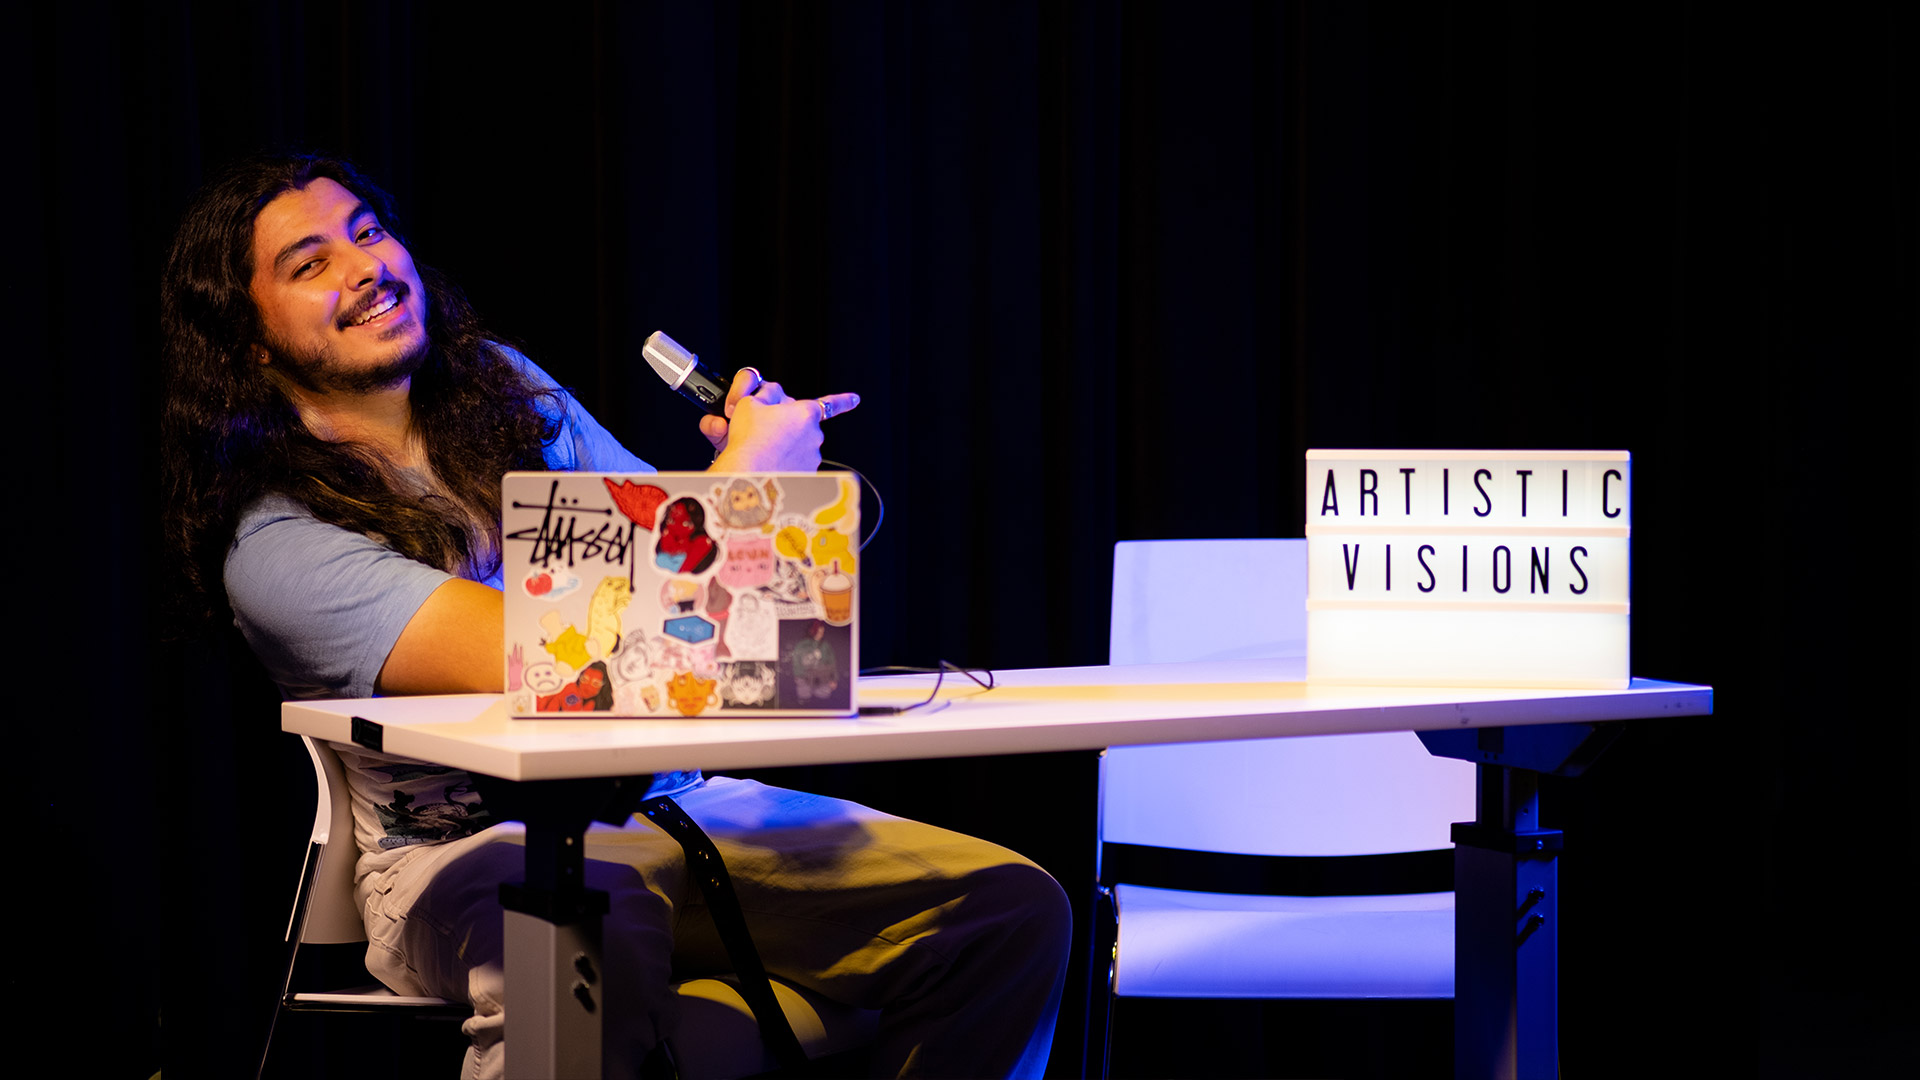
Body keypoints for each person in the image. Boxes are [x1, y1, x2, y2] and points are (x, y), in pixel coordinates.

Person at [160, 152, 1070, 1078]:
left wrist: (746, 489)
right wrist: (747, 485)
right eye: (308, 264)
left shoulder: (505, 391)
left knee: (1008, 913)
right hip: (467, 851)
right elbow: (568, 657)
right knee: (579, 943)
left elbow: (706, 590)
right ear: (250, 344)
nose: (363, 266)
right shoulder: (273, 535)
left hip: (683, 804)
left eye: (368, 232)